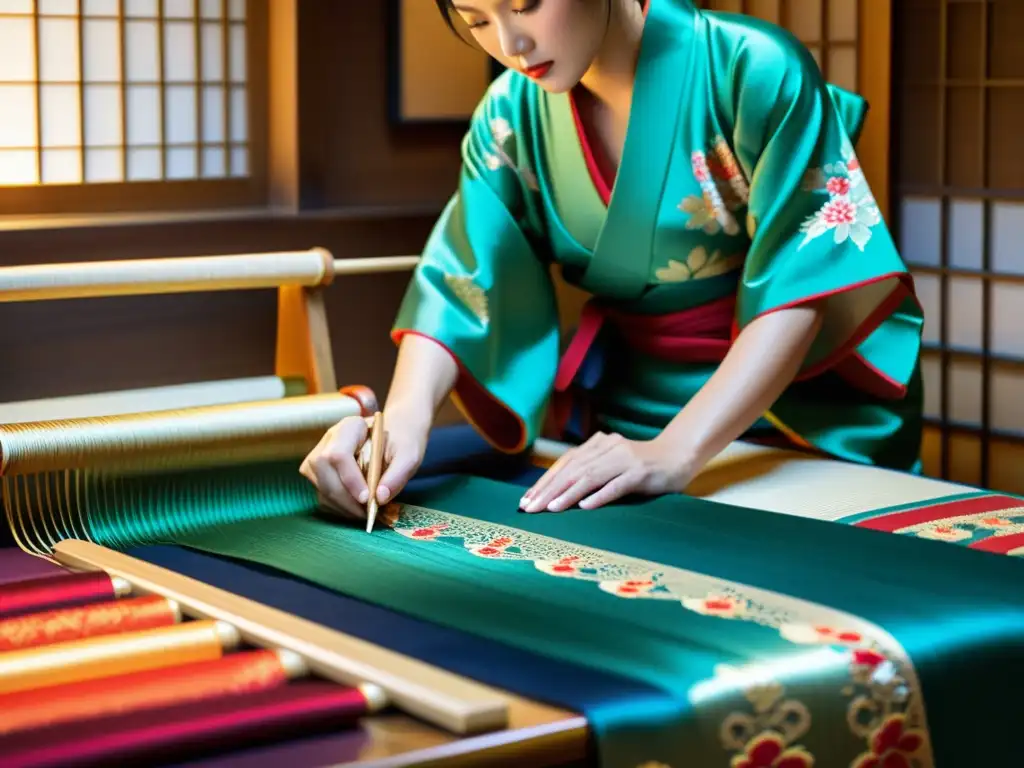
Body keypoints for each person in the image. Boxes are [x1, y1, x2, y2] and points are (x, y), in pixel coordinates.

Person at [301, 0, 924, 521]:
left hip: (790, 414)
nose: (511, 43)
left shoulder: (753, 68)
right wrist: (404, 424)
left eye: (524, 4)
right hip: (622, 422)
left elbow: (805, 280)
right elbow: (461, 279)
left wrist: (674, 453)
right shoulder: (510, 115)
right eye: (476, 20)